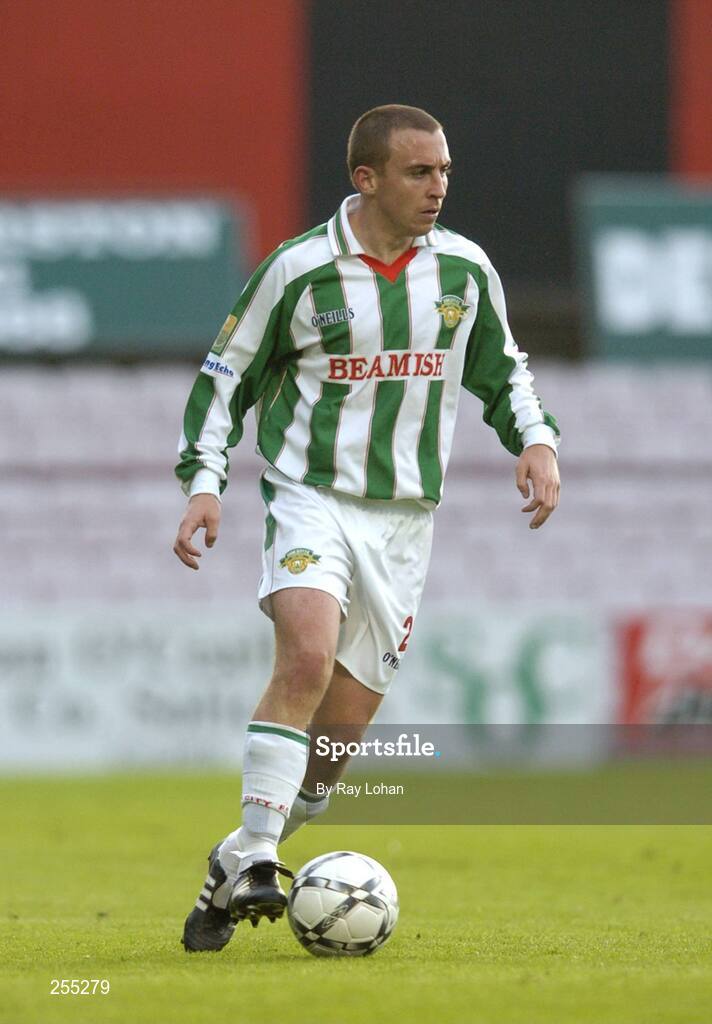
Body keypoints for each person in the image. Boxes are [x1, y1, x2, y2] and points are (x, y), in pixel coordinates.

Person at [173, 104, 560, 952]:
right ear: (368, 179)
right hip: (311, 495)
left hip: (405, 523)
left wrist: (534, 439)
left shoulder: (463, 270)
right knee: (304, 653)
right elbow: (222, 378)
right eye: (421, 173)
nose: (439, 188)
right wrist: (206, 484)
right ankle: (264, 855)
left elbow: (504, 370)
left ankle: (233, 859)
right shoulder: (299, 271)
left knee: (328, 758)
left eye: (445, 171)